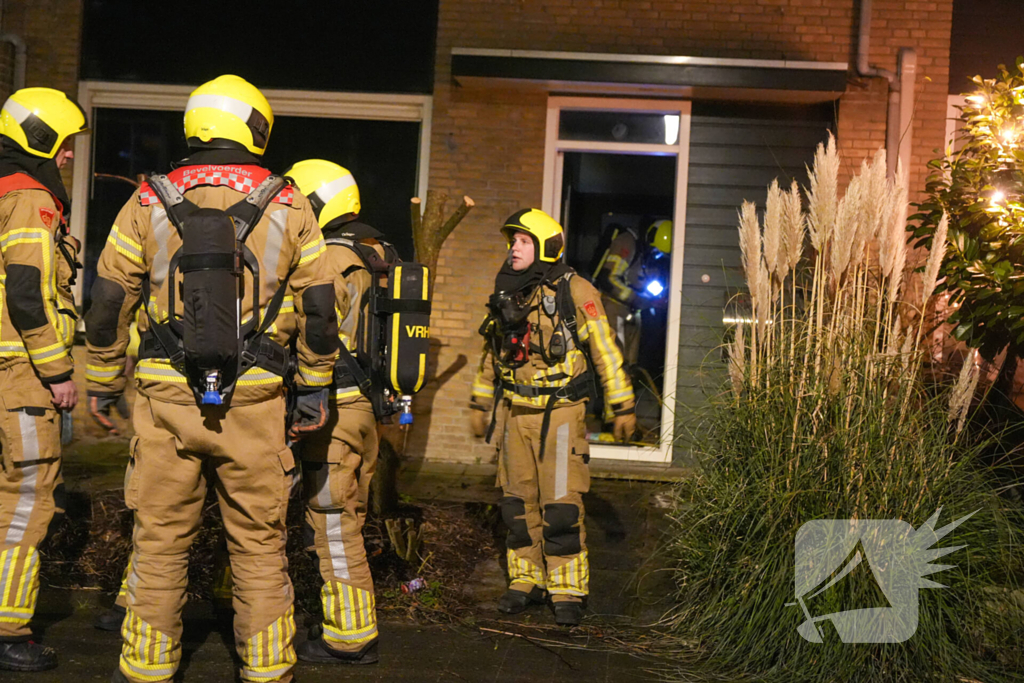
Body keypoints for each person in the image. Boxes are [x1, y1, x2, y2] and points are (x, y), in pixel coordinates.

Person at [85, 75, 338, 683]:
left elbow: (106, 301)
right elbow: (321, 308)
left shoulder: (147, 200)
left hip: (165, 400)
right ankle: (268, 669)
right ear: (255, 127)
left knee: (159, 542)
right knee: (259, 545)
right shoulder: (290, 202)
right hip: (256, 401)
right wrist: (314, 386)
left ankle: (146, 667)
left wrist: (103, 380)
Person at [470, 209, 636, 627]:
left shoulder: (575, 290)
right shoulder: (509, 291)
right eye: (513, 241)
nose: (514, 248)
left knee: (560, 506)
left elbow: (604, 348)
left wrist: (622, 403)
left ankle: (567, 589)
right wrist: (480, 400)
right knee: (516, 504)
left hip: (560, 414)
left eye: (523, 241)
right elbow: (492, 352)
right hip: (514, 414)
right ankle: (525, 580)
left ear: (545, 246)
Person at [0, 87, 87, 672]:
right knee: (25, 498)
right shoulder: (29, 197)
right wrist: (57, 372)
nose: (69, 155)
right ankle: (7, 630)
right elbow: (28, 295)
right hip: (21, 376)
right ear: (39, 137)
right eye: (64, 143)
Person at [283, 159, 382, 664]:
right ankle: (344, 622)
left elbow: (316, 325)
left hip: (335, 410)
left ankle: (350, 637)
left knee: (332, 523)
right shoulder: (376, 253)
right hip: (364, 409)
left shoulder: (332, 259)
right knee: (349, 517)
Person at [593, 219, 672, 367]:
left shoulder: (643, 251)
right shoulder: (627, 242)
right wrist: (636, 299)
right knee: (616, 362)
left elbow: (636, 280)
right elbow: (608, 279)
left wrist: (650, 299)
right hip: (615, 310)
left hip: (632, 312)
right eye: (655, 251)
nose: (655, 256)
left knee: (630, 364)